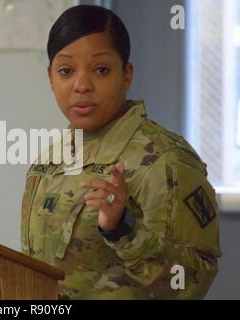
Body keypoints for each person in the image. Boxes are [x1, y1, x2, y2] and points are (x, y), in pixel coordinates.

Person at [20, 5, 221, 299]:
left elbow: (194, 281)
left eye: (101, 70)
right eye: (66, 71)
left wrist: (122, 230)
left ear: (126, 75)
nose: (82, 86)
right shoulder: (49, 162)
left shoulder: (165, 161)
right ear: (51, 78)